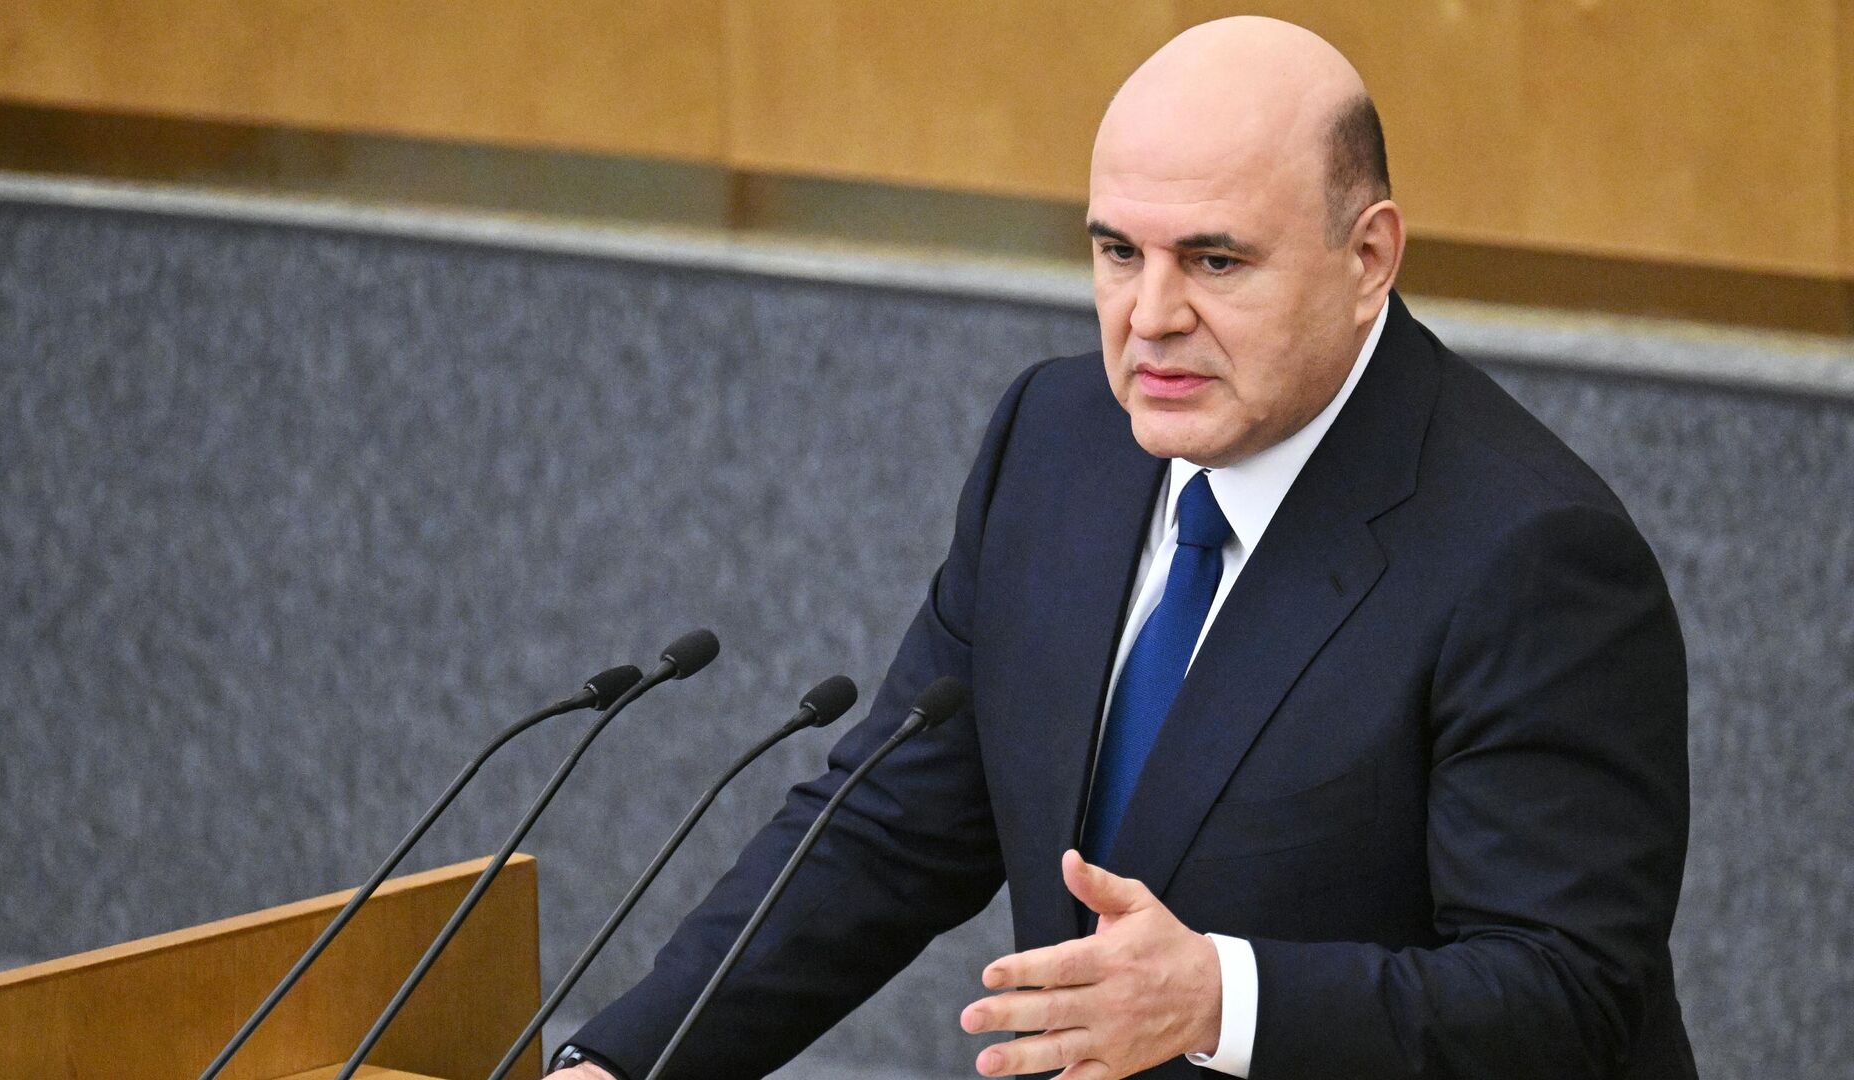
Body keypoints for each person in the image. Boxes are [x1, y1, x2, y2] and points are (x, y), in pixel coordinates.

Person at [550, 16, 1695, 1080]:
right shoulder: (1057, 442)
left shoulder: (1532, 556)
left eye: (1215, 262)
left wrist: (1223, 1001)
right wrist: (624, 1065)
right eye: (1116, 252)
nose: (1150, 317)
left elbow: (1566, 996)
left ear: (1368, 258)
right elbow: (891, 827)